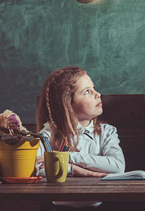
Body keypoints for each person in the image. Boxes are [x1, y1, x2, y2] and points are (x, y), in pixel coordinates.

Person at [36, 66, 125, 210]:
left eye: (94, 88)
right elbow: (37, 169)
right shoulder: (48, 135)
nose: (98, 94)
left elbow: (117, 167)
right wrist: (74, 170)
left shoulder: (107, 132)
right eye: (87, 92)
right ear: (68, 104)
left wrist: (68, 157)